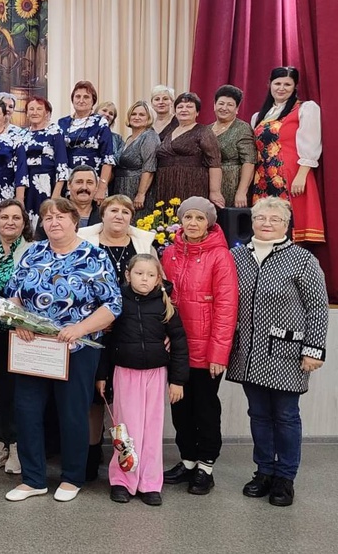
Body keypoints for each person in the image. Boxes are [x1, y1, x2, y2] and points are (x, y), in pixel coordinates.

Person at [1, 197, 121, 504]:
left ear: (74, 221)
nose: (54, 222)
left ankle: (72, 477)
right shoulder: (33, 252)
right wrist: (19, 321)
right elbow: (12, 294)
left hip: (76, 349)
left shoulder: (93, 255)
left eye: (60, 216)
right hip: (33, 347)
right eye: (48, 217)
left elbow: (112, 305)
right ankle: (33, 479)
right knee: (27, 411)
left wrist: (80, 328)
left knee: (72, 414)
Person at [227, 198, 328, 507]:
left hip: (287, 353)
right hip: (247, 352)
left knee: (285, 416)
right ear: (252, 221)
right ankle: (264, 472)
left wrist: (313, 350)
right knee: (258, 414)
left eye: (275, 219)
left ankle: (285, 477)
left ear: (286, 225)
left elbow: (317, 308)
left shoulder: (302, 259)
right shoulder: (236, 256)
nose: (267, 223)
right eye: (261, 218)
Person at [98, 254, 188, 506]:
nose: (144, 279)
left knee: (151, 429)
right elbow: (106, 341)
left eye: (150, 275)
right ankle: (122, 481)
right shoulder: (117, 302)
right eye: (139, 274)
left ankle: (149, 483)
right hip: (125, 373)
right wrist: (102, 375)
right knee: (127, 429)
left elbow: (179, 343)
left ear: (158, 278)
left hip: (156, 375)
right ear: (128, 275)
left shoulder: (165, 305)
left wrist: (178, 380)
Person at [161, 197, 237, 495]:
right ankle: (188, 460)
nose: (192, 223)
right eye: (188, 217)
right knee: (180, 408)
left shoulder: (221, 256)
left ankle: (206, 466)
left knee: (205, 409)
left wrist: (219, 353)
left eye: (199, 218)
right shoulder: (170, 253)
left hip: (207, 351)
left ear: (210, 223)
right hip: (177, 348)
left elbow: (227, 308)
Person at [78, 194, 157, 480]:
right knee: (94, 395)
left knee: (123, 397)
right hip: (95, 329)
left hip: (131, 331)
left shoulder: (145, 244)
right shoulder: (85, 242)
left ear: (131, 218)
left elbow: (157, 285)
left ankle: (125, 457)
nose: (119, 216)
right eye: (113, 210)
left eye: (125, 211)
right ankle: (91, 452)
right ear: (103, 215)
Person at [0, 200, 33, 476]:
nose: (10, 222)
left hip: (22, 333)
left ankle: (16, 446)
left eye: (16, 218)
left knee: (19, 393)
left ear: (24, 223)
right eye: (4, 217)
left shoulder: (34, 250)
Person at [251, 66, 324, 242]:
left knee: (290, 223)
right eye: (277, 83)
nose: (281, 88)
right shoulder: (259, 116)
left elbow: (311, 142)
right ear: (270, 84)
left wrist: (302, 175)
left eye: (287, 84)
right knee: (266, 223)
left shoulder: (305, 109)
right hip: (263, 176)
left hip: (291, 174)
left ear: (294, 87)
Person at [153, 92, 223, 207]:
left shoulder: (203, 131)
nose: (184, 110)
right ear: (175, 111)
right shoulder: (169, 132)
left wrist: (215, 192)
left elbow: (214, 162)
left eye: (189, 107)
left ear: (197, 112)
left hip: (192, 182)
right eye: (180, 107)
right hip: (166, 183)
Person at [57, 81, 114, 202]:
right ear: (72, 99)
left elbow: (108, 158)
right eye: (78, 96)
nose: (81, 100)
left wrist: (102, 188)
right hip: (69, 180)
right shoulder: (62, 123)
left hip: (93, 181)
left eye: (86, 97)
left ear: (93, 101)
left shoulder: (100, 122)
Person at [22, 96, 68, 229]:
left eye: (39, 109)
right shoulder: (22, 134)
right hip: (27, 185)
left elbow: (62, 163)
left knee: (46, 219)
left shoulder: (55, 132)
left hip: (48, 183)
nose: (34, 112)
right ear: (27, 113)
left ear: (46, 112)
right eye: (31, 109)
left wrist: (56, 194)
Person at [209, 85, 256, 208]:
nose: (224, 108)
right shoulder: (207, 129)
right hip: (209, 185)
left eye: (230, 105)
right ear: (214, 105)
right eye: (221, 103)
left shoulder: (242, 128)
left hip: (233, 184)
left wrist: (241, 192)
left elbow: (249, 161)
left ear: (237, 109)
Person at [113, 101, 160, 218]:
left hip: (137, 189)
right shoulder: (129, 138)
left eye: (141, 115)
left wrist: (141, 194)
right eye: (133, 114)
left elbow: (149, 167)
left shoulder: (150, 136)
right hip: (120, 187)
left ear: (148, 118)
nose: (136, 117)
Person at [35, 166, 101, 238]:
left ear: (96, 187)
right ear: (69, 185)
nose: (84, 187)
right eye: (79, 182)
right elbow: (40, 242)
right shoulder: (50, 212)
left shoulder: (104, 215)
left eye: (89, 183)